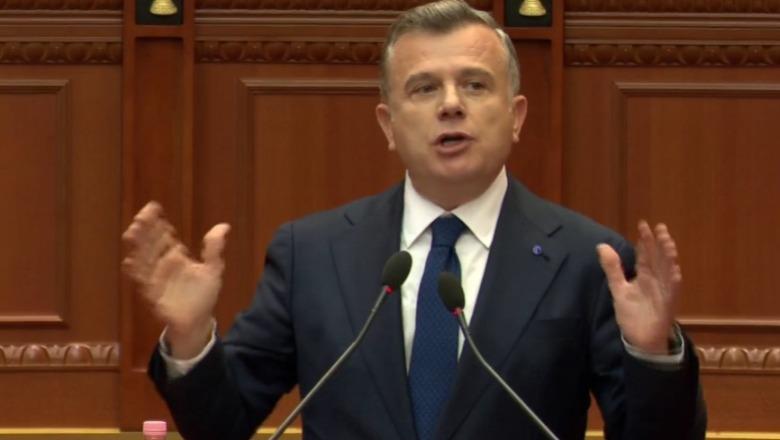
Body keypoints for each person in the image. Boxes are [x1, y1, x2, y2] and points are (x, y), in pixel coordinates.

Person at [122, 1, 706, 439]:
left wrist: (653, 353)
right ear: (388, 125)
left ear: (516, 115)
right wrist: (191, 337)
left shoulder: (587, 258)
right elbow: (221, 425)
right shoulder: (313, 253)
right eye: (424, 88)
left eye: (474, 85)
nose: (451, 104)